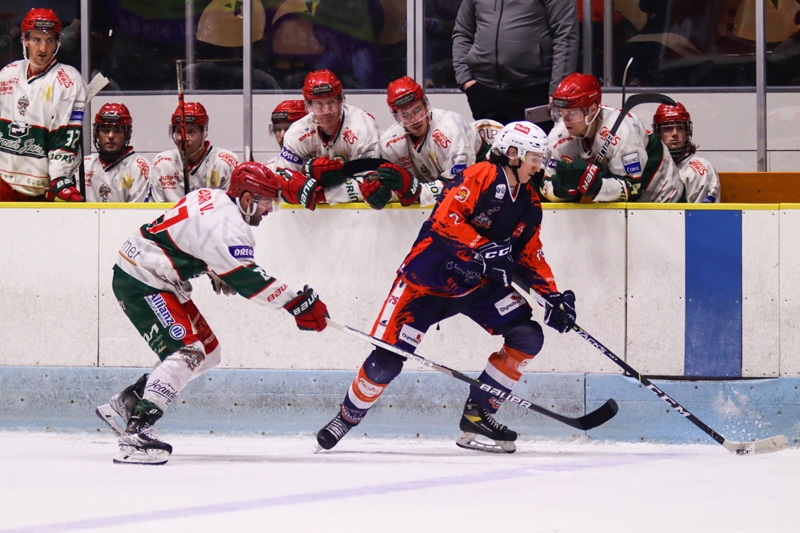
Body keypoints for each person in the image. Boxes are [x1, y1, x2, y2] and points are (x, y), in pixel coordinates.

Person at [316, 121, 577, 454]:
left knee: (528, 335)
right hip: (425, 282)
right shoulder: (479, 175)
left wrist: (551, 295)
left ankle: (478, 414)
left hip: (475, 286)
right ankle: (346, 417)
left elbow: (529, 254)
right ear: (513, 154)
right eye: (534, 157)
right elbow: (445, 220)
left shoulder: (528, 201)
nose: (538, 165)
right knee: (387, 361)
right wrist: (482, 248)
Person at [95, 161, 330, 465]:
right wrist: (297, 302)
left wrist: (212, 266)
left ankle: (128, 402)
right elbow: (250, 282)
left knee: (208, 353)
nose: (270, 209)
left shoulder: (212, 196)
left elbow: (187, 232)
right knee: (189, 353)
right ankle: (136, 434)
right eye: (267, 201)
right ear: (246, 199)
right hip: (140, 279)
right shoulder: (230, 229)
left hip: (153, 273)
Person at [540, 73, 684, 203]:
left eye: (572, 113)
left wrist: (596, 186)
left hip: (663, 195)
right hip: (615, 208)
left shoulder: (622, 132)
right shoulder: (558, 136)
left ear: (592, 110)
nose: (565, 120)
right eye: (560, 112)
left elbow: (632, 187)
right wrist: (563, 190)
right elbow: (545, 184)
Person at [0, 8, 85, 202]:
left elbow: (67, 137)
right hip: (3, 180)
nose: (43, 49)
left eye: (49, 40)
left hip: (40, 187)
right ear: (25, 41)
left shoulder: (68, 80)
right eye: (37, 40)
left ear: (57, 42)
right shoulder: (7, 74)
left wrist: (59, 179)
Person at [452, 0, 578, 127]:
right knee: (490, 147)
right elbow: (462, 32)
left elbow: (565, 35)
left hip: (534, 90)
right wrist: (465, 79)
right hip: (483, 91)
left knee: (536, 146)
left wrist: (557, 89)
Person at [364, 76, 482, 208]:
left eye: (417, 110)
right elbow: (399, 188)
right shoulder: (389, 143)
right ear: (396, 117)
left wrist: (416, 190)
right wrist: (385, 193)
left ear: (426, 104)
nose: (414, 120)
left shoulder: (452, 128)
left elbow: (461, 187)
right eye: (405, 115)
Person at [277, 69, 381, 208]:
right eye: (319, 104)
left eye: (331, 101)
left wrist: (318, 193)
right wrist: (307, 171)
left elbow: (371, 184)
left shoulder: (363, 127)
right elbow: (283, 180)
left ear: (341, 100)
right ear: (308, 106)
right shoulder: (297, 133)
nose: (326, 110)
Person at [149, 101, 240, 203]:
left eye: (191, 132)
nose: (183, 138)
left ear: (203, 133)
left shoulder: (225, 163)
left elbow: (230, 209)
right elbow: (155, 211)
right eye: (179, 132)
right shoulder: (161, 163)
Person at [652, 102, 720, 203]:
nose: (674, 133)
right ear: (658, 133)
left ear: (687, 132)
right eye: (668, 128)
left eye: (679, 128)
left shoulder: (700, 169)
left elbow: (702, 216)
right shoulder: (650, 166)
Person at [83, 102, 150, 202]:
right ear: (97, 133)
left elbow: (138, 214)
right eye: (105, 130)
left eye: (117, 130)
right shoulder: (84, 165)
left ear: (127, 135)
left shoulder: (139, 167)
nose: (110, 136)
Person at [265, 99, 307, 171]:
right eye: (278, 129)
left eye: (289, 129)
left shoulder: (320, 166)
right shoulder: (269, 169)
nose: (282, 136)